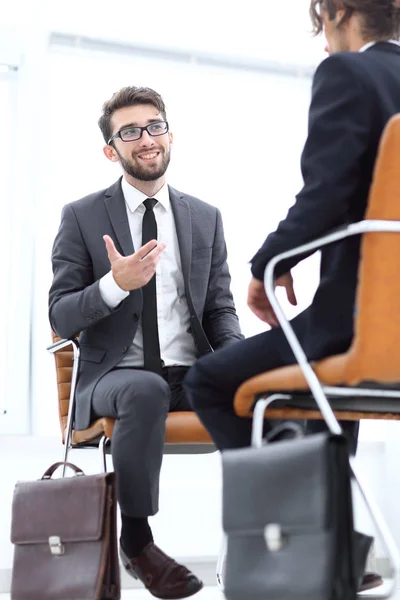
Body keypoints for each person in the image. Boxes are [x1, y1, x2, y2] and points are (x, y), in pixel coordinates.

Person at [184, 0, 400, 593]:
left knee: (209, 381)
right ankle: (339, 553)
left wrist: (266, 264)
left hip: (354, 325)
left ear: (336, 13)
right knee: (318, 398)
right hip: (394, 338)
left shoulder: (347, 73)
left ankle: (304, 538)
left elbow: (326, 194)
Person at [48, 85, 243, 599]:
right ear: (111, 150)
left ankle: (301, 540)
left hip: (190, 375)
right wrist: (116, 285)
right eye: (129, 131)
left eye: (154, 126)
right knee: (143, 391)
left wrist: (237, 364)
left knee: (274, 397)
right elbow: (61, 314)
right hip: (114, 379)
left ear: (170, 135)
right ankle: (137, 541)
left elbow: (219, 309)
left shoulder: (206, 217)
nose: (146, 138)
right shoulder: (82, 216)